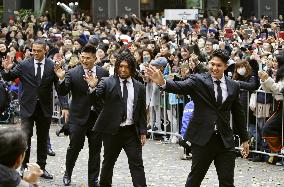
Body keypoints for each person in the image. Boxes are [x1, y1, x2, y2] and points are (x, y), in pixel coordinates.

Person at [146, 49, 250, 187]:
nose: (214, 68)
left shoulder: (233, 85)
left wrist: (244, 139)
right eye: (212, 64)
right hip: (202, 139)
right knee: (195, 180)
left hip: (224, 140)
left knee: (227, 182)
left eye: (218, 65)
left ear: (225, 66)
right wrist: (163, 82)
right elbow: (179, 87)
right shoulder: (199, 80)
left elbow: (239, 113)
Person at [1, 39, 69, 179]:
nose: (36, 53)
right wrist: (6, 69)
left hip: (45, 107)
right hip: (27, 107)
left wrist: (64, 105)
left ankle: (41, 168)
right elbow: (10, 77)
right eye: (34, 50)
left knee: (43, 139)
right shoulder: (24, 64)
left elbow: (60, 88)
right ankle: (24, 167)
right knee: (25, 138)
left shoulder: (52, 65)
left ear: (45, 50)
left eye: (39, 50)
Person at [85, 48, 147, 187]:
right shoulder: (107, 82)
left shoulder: (139, 87)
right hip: (112, 131)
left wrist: (143, 131)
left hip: (131, 131)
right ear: (117, 66)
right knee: (108, 163)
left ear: (132, 68)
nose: (123, 70)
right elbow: (94, 98)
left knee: (137, 163)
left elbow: (141, 111)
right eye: (121, 66)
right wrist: (93, 87)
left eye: (127, 67)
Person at [55, 44, 109, 186]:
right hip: (78, 117)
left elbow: (107, 94)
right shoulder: (72, 73)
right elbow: (63, 91)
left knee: (95, 150)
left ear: (95, 58)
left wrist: (95, 87)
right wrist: (61, 79)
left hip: (97, 117)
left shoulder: (103, 73)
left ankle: (93, 180)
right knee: (74, 147)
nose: (84, 61)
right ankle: (68, 172)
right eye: (82, 57)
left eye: (88, 58)